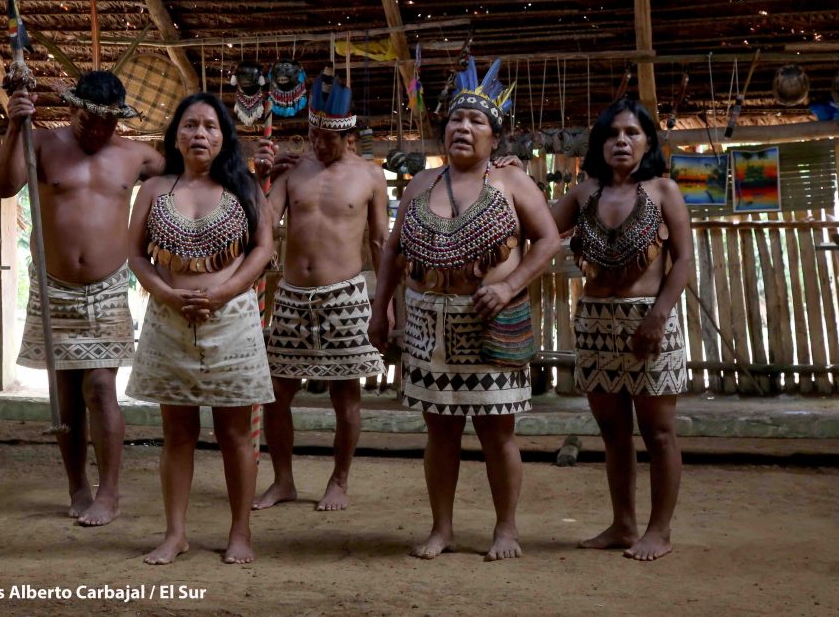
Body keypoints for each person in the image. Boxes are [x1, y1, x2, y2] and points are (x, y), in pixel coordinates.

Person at [369, 57, 561, 561]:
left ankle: (506, 529)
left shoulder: (513, 184)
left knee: (497, 431)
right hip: (430, 323)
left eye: (476, 121)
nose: (463, 127)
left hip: (491, 321)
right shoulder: (419, 186)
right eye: (456, 119)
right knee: (440, 431)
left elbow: (547, 242)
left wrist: (510, 284)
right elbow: (392, 251)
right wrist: (380, 308)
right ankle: (443, 528)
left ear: (494, 137)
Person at [0, 70, 164, 526]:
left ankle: (109, 493)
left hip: (109, 284)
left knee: (101, 387)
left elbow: (192, 176)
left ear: (119, 121)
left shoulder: (138, 156)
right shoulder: (43, 143)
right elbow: (5, 186)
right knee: (66, 394)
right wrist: (15, 125)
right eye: (87, 119)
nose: (95, 130)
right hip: (53, 285)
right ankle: (77, 486)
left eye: (106, 123)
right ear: (71, 108)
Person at [126, 92, 274, 565]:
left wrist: (224, 292)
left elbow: (262, 250)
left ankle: (240, 532)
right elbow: (135, 254)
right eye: (190, 125)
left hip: (232, 320)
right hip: (169, 320)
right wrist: (166, 294)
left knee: (235, 433)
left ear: (224, 137)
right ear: (175, 136)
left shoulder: (245, 188)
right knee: (178, 432)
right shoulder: (153, 189)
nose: (199, 135)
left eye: (210, 126)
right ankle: (175, 534)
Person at [550, 98, 692, 561]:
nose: (621, 141)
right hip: (594, 323)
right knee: (612, 431)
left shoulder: (664, 190)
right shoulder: (583, 193)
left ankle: (660, 531)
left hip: (649, 323)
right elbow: (535, 225)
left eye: (631, 133)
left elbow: (684, 260)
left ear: (648, 141)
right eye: (612, 134)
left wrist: (658, 315)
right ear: (599, 144)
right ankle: (623, 525)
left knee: (660, 433)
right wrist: (506, 174)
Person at [252, 73, 389, 512]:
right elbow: (265, 226)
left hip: (345, 296)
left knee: (344, 394)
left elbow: (380, 243)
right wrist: (261, 180)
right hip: (293, 295)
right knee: (277, 390)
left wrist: (386, 308)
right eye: (313, 134)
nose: (318, 143)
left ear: (347, 135)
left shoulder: (370, 176)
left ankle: (339, 481)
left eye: (328, 137)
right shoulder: (293, 171)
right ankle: (284, 480)